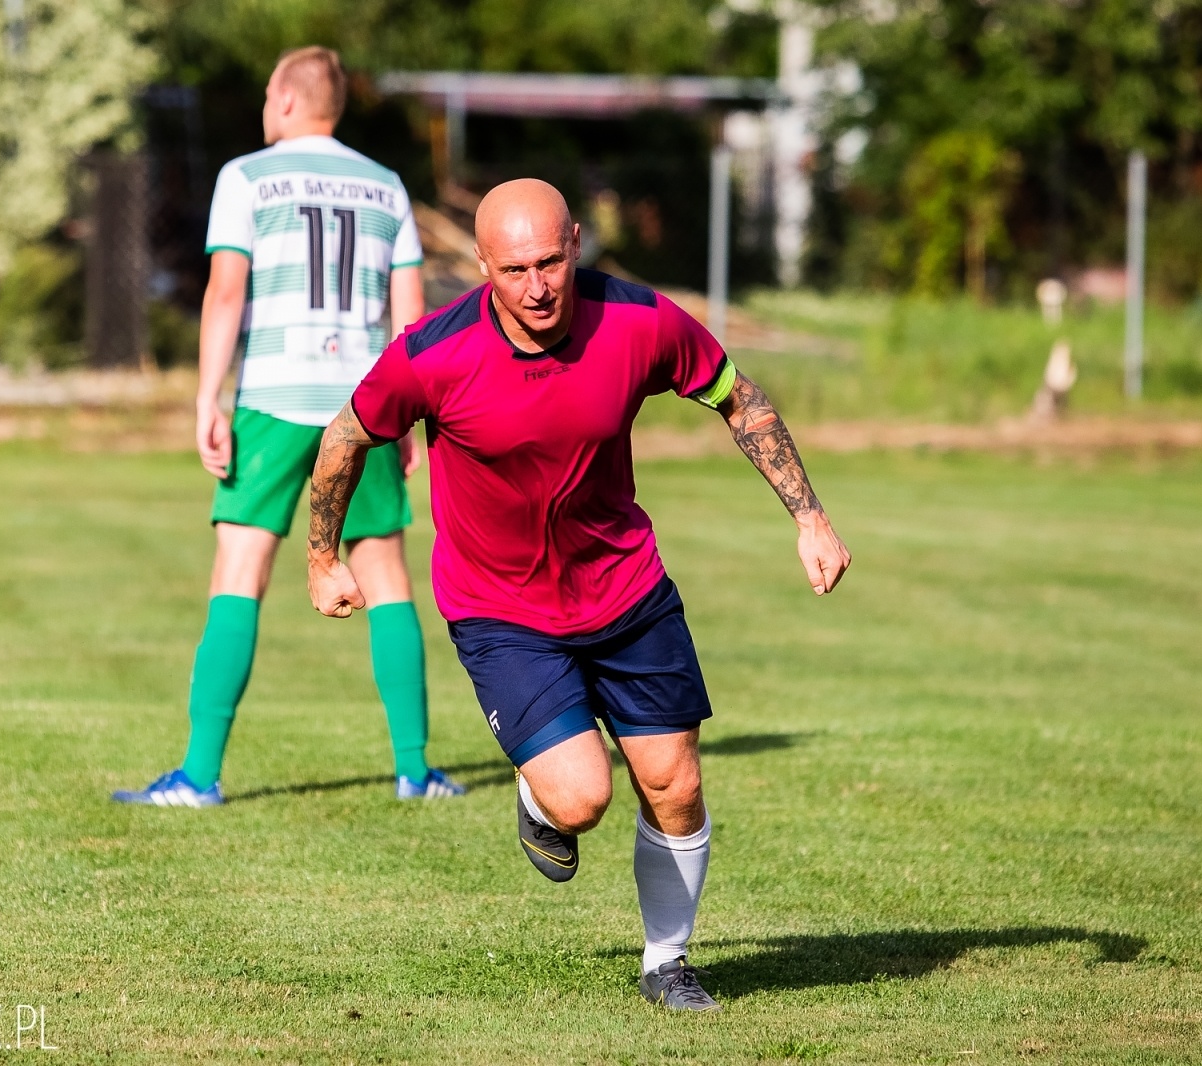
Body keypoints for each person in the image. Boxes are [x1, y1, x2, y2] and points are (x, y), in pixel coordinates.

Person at [303, 179, 850, 1010]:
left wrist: (810, 517)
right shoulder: (432, 352)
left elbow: (739, 398)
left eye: (552, 261)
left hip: (625, 588)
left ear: (578, 244)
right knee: (582, 795)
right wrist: (321, 555)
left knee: (675, 782)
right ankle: (540, 792)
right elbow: (346, 434)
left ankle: (667, 962)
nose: (538, 287)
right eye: (515, 268)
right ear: (482, 265)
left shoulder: (639, 320)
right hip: (501, 608)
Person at [113, 46, 464, 807]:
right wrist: (406, 413)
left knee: (239, 573)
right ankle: (415, 770)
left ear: (285, 101)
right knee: (386, 575)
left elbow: (225, 293)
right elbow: (409, 316)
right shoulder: (387, 186)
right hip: (364, 404)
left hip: (271, 399)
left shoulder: (246, 176)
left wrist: (207, 397)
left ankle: (200, 776)